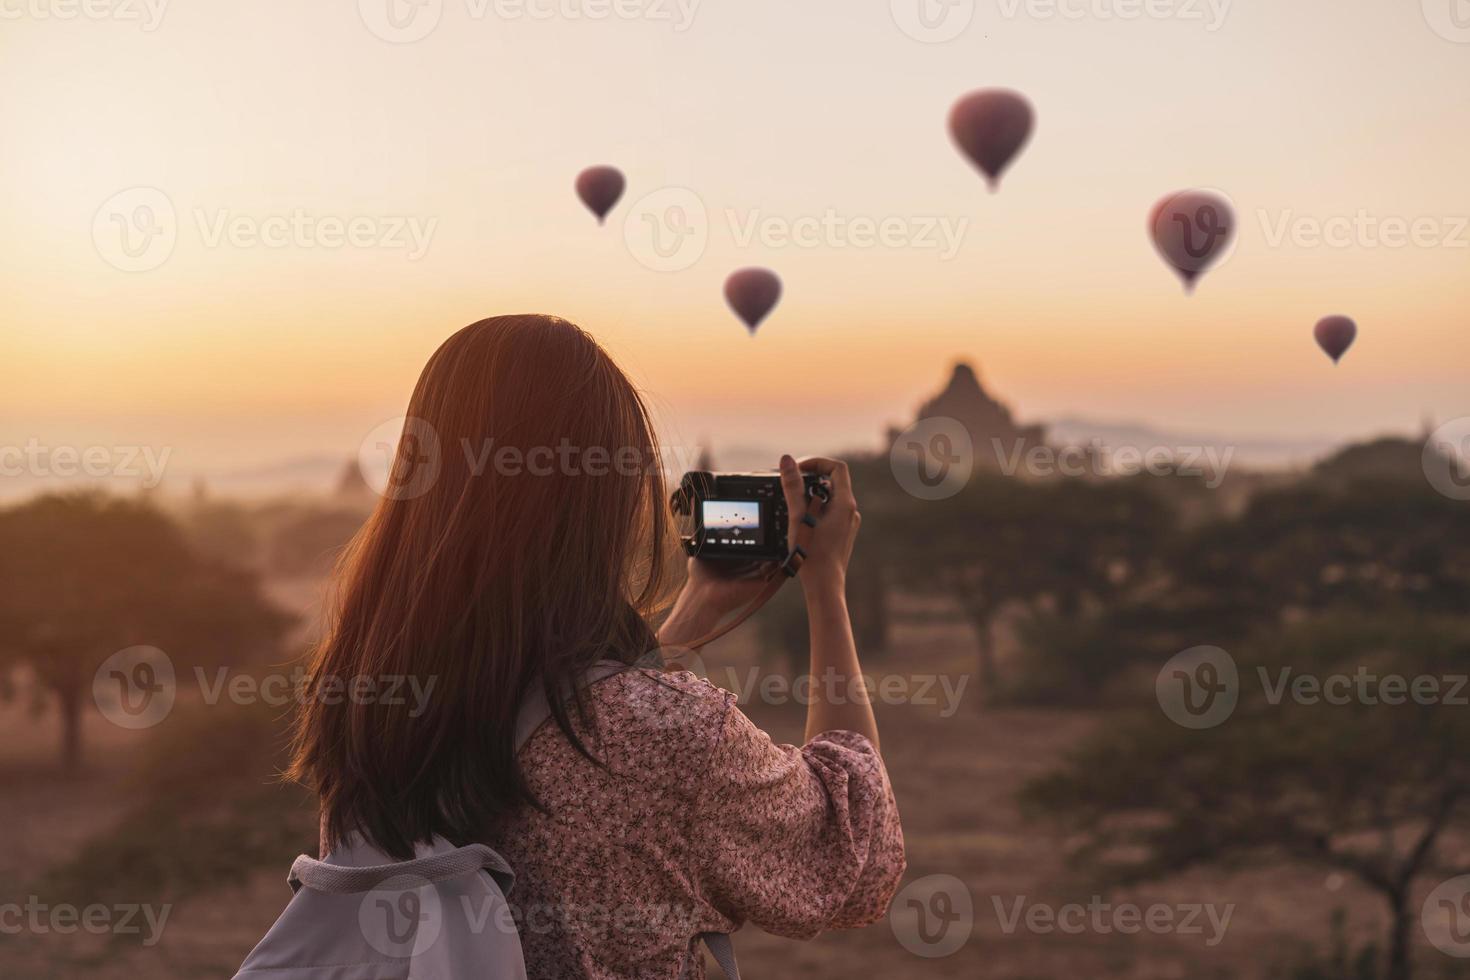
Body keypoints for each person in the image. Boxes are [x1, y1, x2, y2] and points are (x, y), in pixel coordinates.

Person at [288, 314, 905, 979]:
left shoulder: (369, 705)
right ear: (605, 498)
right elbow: (855, 861)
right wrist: (827, 585)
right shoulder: (678, 735)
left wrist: (693, 612)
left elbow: (557, 720)